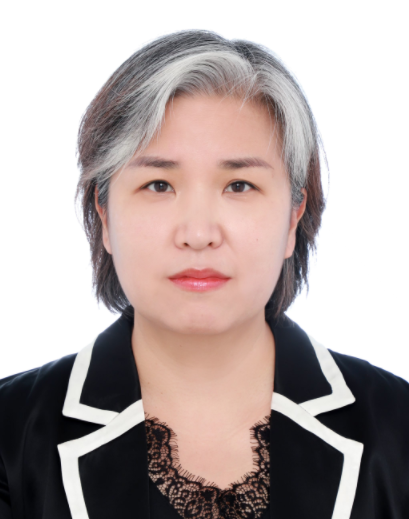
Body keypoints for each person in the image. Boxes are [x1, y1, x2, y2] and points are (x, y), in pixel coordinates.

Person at [0, 29, 408, 519]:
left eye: (239, 185)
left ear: (293, 218)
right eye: (158, 184)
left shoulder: (398, 427)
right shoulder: (10, 433)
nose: (198, 234)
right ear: (105, 215)